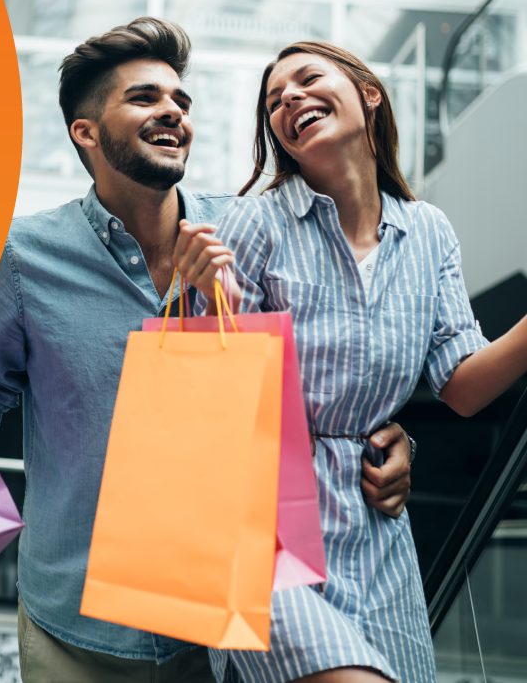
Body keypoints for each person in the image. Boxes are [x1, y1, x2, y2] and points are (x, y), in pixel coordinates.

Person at [0, 20, 415, 682]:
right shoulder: (26, 259)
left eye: (181, 101)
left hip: (225, 623)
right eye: (144, 98)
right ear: (86, 132)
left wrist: (395, 440)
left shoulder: (252, 231)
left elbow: (327, 379)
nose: (173, 111)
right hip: (77, 635)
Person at [174, 41, 527, 683]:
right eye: (275, 101)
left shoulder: (430, 233)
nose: (290, 101)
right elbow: (211, 394)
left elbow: (462, 386)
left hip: (378, 533)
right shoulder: (257, 223)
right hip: (262, 523)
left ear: (368, 93)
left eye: (309, 79)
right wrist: (203, 300)